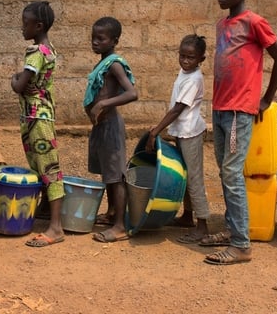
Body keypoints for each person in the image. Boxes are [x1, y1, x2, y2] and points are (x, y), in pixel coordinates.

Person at [202, 0, 277, 265]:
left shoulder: (254, 23)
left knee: (232, 174)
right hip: (221, 108)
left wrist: (266, 99)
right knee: (226, 173)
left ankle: (241, 245)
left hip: (239, 111)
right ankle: (230, 229)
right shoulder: (221, 24)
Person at [146, 34, 211, 243]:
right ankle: (188, 216)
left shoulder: (194, 79)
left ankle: (202, 225)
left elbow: (177, 109)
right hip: (182, 131)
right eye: (182, 55)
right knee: (184, 174)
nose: (185, 60)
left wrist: (156, 130)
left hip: (190, 133)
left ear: (201, 59)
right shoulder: (185, 73)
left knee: (193, 179)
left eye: (191, 57)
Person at [11, 1, 65, 247]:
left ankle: (56, 228)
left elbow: (20, 85)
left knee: (48, 167)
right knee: (39, 163)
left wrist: (14, 80)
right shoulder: (49, 48)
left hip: (37, 118)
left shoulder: (35, 52)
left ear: (38, 25)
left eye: (26, 23)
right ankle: (45, 210)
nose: (22, 27)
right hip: (39, 115)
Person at [84, 16, 138, 243]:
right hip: (101, 126)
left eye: (101, 38)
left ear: (114, 40)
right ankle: (112, 212)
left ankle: (120, 227)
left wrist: (104, 104)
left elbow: (131, 93)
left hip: (111, 125)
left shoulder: (115, 63)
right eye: (93, 38)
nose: (95, 42)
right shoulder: (103, 62)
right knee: (108, 173)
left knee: (116, 176)